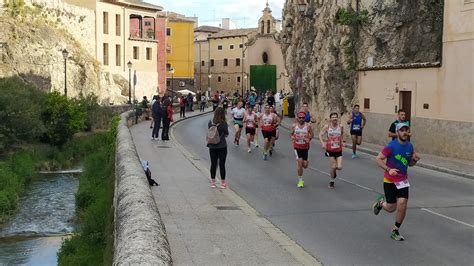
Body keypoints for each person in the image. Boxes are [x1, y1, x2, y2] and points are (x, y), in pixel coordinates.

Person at [372, 123, 420, 241]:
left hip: (402, 180)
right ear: (397, 132)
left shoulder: (410, 146)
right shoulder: (391, 146)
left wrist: (415, 160)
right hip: (389, 180)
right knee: (391, 208)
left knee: (402, 204)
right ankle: (380, 204)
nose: (404, 132)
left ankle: (395, 230)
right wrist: (389, 169)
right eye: (402, 130)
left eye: (406, 130)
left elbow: (409, 164)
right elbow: (378, 159)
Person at [319, 112, 345, 189]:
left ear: (337, 118)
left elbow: (342, 134)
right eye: (333, 117)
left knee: (339, 167)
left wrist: (343, 142)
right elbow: (320, 134)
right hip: (330, 150)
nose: (334, 118)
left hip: (338, 149)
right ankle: (331, 181)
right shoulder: (327, 127)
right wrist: (323, 143)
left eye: (335, 117)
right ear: (330, 119)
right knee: (333, 166)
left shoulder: (340, 126)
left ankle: (333, 170)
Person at [207, 107, 229, 189]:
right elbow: (226, 134)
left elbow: (209, 132)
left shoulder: (210, 122)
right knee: (222, 164)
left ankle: (213, 182)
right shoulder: (224, 124)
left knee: (213, 164)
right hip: (222, 145)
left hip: (212, 146)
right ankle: (223, 183)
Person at [291, 111, 314, 188]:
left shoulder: (308, 126)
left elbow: (312, 134)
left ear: (305, 118)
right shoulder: (294, 126)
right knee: (300, 163)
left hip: (305, 147)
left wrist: (309, 139)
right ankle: (300, 181)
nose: (301, 119)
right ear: (297, 118)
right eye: (300, 117)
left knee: (305, 165)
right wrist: (293, 137)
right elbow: (291, 134)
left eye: (303, 118)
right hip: (297, 147)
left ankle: (306, 161)